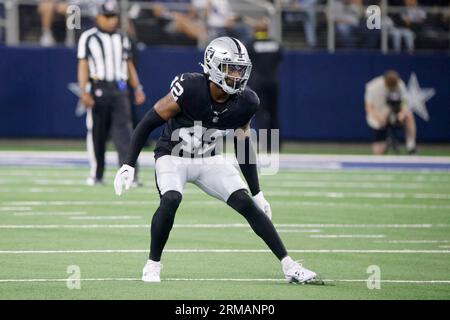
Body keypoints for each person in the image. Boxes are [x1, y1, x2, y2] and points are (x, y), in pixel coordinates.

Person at [113, 37, 317, 283]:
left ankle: (289, 266)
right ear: (212, 66)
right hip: (172, 156)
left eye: (240, 69)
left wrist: (257, 192)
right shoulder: (189, 88)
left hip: (209, 159)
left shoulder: (247, 101)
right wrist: (128, 164)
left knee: (246, 204)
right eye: (231, 68)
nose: (237, 75)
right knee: (171, 198)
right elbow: (147, 122)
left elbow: (243, 145)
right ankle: (152, 265)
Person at [78, 0, 146, 185]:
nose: (111, 20)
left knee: (125, 135)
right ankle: (97, 175)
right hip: (98, 88)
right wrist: (85, 91)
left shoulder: (122, 38)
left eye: (114, 16)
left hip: (119, 90)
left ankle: (129, 176)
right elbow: (83, 65)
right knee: (97, 135)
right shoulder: (89, 37)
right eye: (107, 17)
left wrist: (137, 87)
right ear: (98, 17)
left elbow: (128, 64)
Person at [247, 17, 283, 151]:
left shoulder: (251, 44)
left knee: (261, 114)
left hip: (257, 84)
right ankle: (276, 146)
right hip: (273, 83)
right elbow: (279, 59)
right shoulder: (276, 44)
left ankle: (266, 145)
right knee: (274, 114)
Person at [364, 70, 417, 155]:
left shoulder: (400, 84)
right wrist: (378, 118)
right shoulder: (373, 86)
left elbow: (405, 102)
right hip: (377, 117)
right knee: (378, 152)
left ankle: (411, 145)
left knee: (408, 115)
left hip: (394, 114)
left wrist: (402, 114)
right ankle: (385, 141)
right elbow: (369, 108)